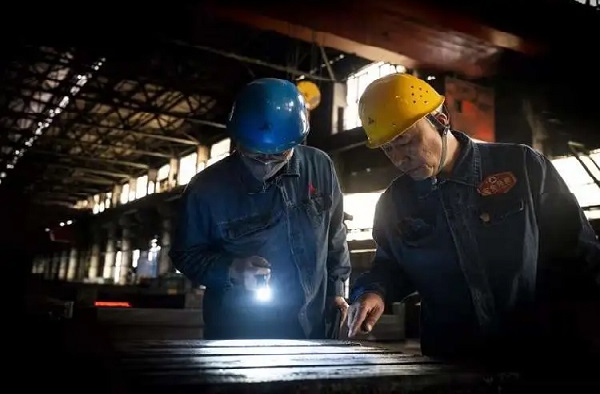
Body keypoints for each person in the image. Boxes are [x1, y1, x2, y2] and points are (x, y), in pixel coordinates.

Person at [346, 72, 600, 361]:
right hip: (451, 361)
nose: (398, 158)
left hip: (539, 354)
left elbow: (581, 257)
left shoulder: (523, 167)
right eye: (387, 148)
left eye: (404, 140)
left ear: (440, 120)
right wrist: (373, 292)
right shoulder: (395, 202)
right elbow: (390, 266)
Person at [170, 78, 351, 340]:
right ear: (237, 140)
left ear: (295, 141)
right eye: (255, 155)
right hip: (240, 331)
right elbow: (185, 254)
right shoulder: (206, 190)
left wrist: (336, 290)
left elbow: (335, 233)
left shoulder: (319, 166)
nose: (266, 163)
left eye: (277, 155)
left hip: (314, 326)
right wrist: (231, 269)